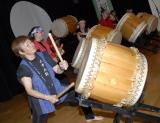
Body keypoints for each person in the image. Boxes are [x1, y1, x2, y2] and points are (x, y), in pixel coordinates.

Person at [11, 36, 104, 123]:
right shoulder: (23, 68)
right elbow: (29, 91)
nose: (32, 45)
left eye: (30, 42)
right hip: (41, 98)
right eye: (27, 45)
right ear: (21, 52)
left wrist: (62, 67)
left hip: (57, 88)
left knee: (80, 95)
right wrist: (48, 97)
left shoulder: (43, 55)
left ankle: (90, 116)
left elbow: (57, 71)